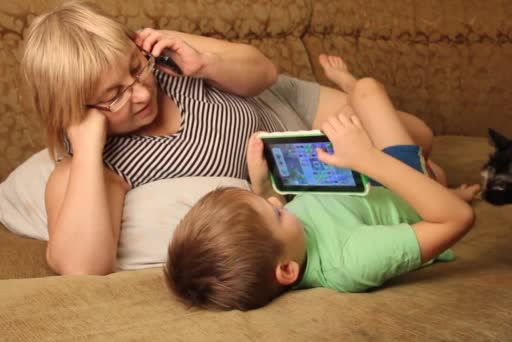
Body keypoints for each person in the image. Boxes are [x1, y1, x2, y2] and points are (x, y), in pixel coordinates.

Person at [20, 1, 436, 275]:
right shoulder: (92, 166)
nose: (143, 93)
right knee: (412, 161)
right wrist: (90, 146)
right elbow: (82, 267)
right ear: (73, 111)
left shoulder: (161, 53)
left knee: (422, 134)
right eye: (113, 96)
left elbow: (265, 72)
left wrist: (205, 61)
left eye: (136, 68)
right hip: (297, 153)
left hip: (282, 102)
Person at [163, 57, 481, 311]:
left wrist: (262, 187)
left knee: (365, 94)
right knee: (370, 94)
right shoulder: (351, 260)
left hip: (367, 185)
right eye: (274, 213)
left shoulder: (287, 245)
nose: (278, 203)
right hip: (407, 190)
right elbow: (457, 220)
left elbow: (279, 222)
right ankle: (443, 187)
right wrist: (366, 158)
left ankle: (442, 183)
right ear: (286, 271)